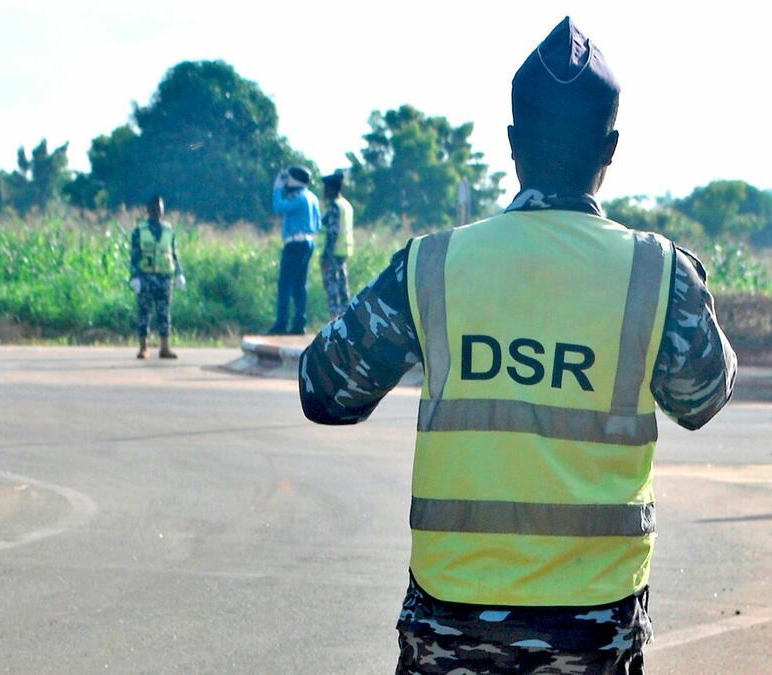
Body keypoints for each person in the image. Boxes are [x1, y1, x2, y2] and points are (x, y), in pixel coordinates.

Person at [298, 16, 737, 674]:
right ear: (610, 148)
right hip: (594, 628)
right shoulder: (655, 273)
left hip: (451, 623)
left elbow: (323, 390)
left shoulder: (433, 265)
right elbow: (704, 395)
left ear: (512, 143)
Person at [129, 195, 185, 359]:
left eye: (159, 209)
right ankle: (143, 347)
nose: (157, 212)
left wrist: (179, 273)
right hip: (145, 277)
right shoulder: (139, 231)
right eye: (154, 209)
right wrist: (134, 277)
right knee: (144, 313)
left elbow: (173, 253)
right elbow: (134, 255)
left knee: (164, 314)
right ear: (148, 211)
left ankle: (165, 348)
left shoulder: (169, 230)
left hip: (164, 277)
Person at [269, 165, 322, 335]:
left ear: (295, 179)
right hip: (308, 242)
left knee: (285, 283)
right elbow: (318, 224)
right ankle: (300, 323)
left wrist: (277, 187)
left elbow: (278, 207)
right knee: (300, 284)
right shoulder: (312, 197)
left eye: (288, 178)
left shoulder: (299, 198)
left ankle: (281, 323)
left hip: (295, 243)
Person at [319, 171, 355, 320]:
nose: (324, 191)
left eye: (326, 188)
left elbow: (332, 233)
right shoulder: (346, 205)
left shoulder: (334, 207)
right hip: (344, 252)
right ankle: (347, 322)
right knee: (343, 288)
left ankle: (333, 321)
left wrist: (325, 257)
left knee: (333, 290)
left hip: (333, 253)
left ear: (332, 189)